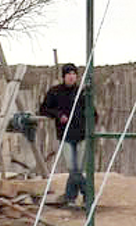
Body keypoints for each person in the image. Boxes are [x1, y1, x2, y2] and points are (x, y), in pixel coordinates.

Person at [39, 62, 95, 207]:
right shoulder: (55, 92)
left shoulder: (82, 93)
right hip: (65, 135)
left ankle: (71, 198)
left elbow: (93, 113)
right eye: (68, 74)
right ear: (64, 76)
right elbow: (44, 109)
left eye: (74, 74)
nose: (71, 77)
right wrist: (58, 115)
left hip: (82, 135)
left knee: (78, 169)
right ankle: (88, 195)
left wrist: (89, 127)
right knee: (72, 167)